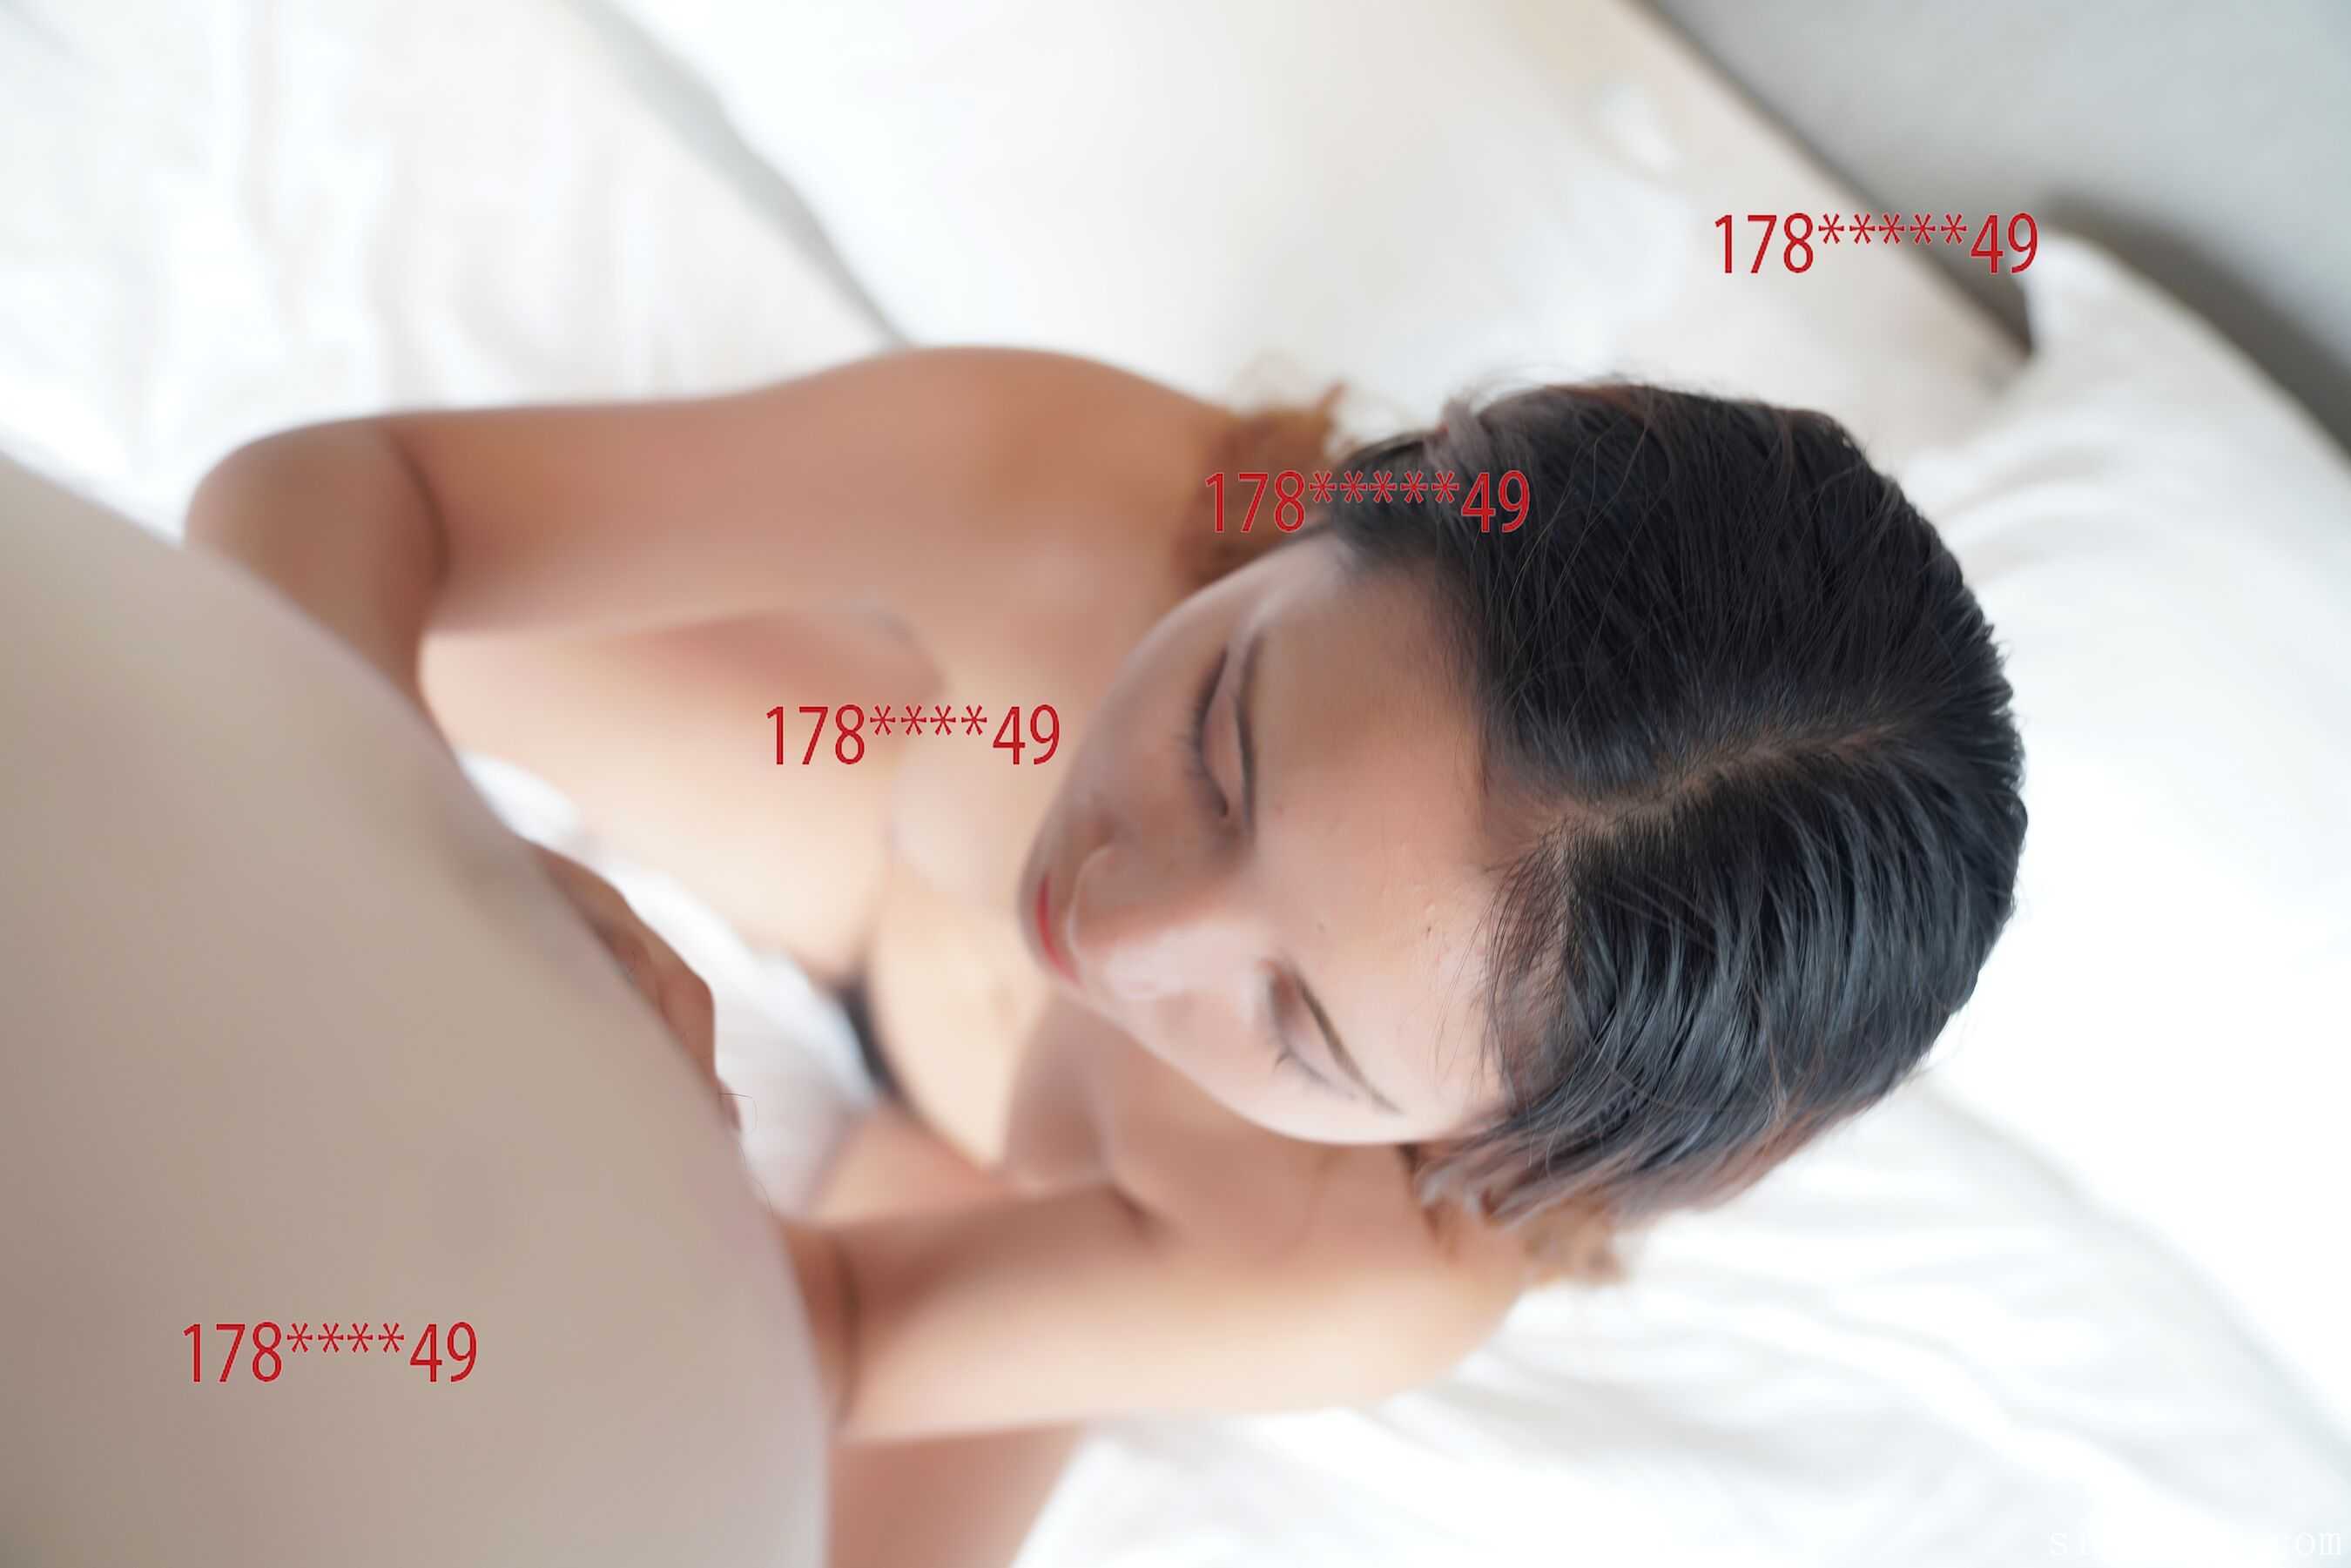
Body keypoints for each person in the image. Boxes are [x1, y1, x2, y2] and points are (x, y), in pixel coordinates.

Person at [184, 347, 2028, 1568]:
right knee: (284, 654)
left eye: (1301, 1026)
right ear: (1345, 501)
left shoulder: (1352, 1261)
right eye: (1222, 746)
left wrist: (549, 1197)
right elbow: (348, 482)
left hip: (994, 1204)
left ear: (1475, 1140)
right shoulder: (1078, 501)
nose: (1121, 936)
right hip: (873, 831)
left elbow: (838, 1332)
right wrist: (371, 827)